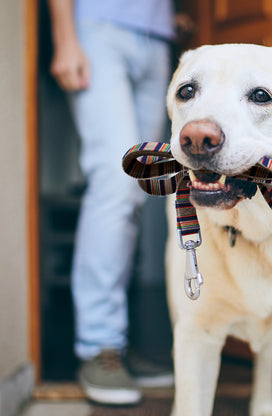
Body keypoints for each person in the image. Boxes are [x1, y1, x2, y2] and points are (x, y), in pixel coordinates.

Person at [47, 0, 175, 405]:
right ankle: (98, 345)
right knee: (116, 183)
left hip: (157, 38)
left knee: (138, 190)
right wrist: (65, 37)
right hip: (99, 27)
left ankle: (117, 346)